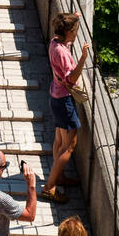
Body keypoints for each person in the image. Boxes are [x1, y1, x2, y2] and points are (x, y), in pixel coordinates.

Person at [41, 11, 88, 205]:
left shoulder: (55, 43)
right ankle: (49, 187)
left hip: (55, 96)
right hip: (64, 100)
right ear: (68, 32)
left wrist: (72, 16)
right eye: (75, 30)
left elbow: (64, 48)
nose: (76, 33)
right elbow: (72, 78)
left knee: (59, 140)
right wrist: (83, 58)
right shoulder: (62, 51)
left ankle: (58, 176)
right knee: (69, 145)